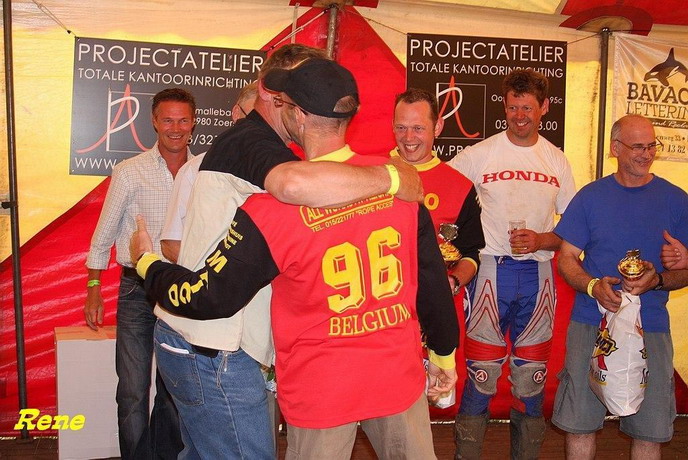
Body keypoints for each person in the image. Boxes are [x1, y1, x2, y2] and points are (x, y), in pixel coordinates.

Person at [132, 57, 459, 460]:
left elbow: (209, 298)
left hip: (321, 387)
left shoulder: (271, 209)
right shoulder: (401, 188)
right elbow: (432, 282)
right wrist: (444, 355)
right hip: (395, 375)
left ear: (299, 116)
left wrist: (147, 263)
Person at [447, 69, 576, 458]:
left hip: (538, 275)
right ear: (504, 107)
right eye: (513, 108)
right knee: (482, 375)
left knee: (531, 379)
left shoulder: (556, 160)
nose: (520, 116)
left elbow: (572, 230)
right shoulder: (481, 153)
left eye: (527, 108)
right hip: (489, 272)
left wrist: (542, 240)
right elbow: (442, 194)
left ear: (544, 108)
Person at [552, 114, 688, 459]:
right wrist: (592, 286)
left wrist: (658, 279)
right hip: (591, 322)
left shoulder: (676, 200)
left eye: (652, 146)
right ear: (615, 148)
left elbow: (686, 270)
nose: (647, 154)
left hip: (651, 325)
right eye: (638, 146)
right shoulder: (590, 197)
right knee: (580, 425)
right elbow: (567, 257)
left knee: (650, 431)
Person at [84, 88, 193, 459]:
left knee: (174, 390)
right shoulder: (130, 172)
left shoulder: (203, 173)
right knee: (132, 391)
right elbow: (104, 234)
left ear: (193, 123)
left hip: (181, 290)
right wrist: (94, 288)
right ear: (154, 122)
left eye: (183, 120)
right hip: (137, 290)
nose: (175, 128)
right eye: (168, 120)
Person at [392, 88, 484, 412]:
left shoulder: (460, 187)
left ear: (438, 127)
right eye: (401, 127)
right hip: (382, 319)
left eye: (418, 128)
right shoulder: (371, 175)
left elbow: (471, 253)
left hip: (436, 321)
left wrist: (453, 282)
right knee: (385, 408)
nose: (409, 138)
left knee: (428, 406)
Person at [159, 81, 258, 263]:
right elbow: (171, 244)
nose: (260, 129)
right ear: (236, 113)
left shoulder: (290, 174)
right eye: (254, 119)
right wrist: (213, 275)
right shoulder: (195, 169)